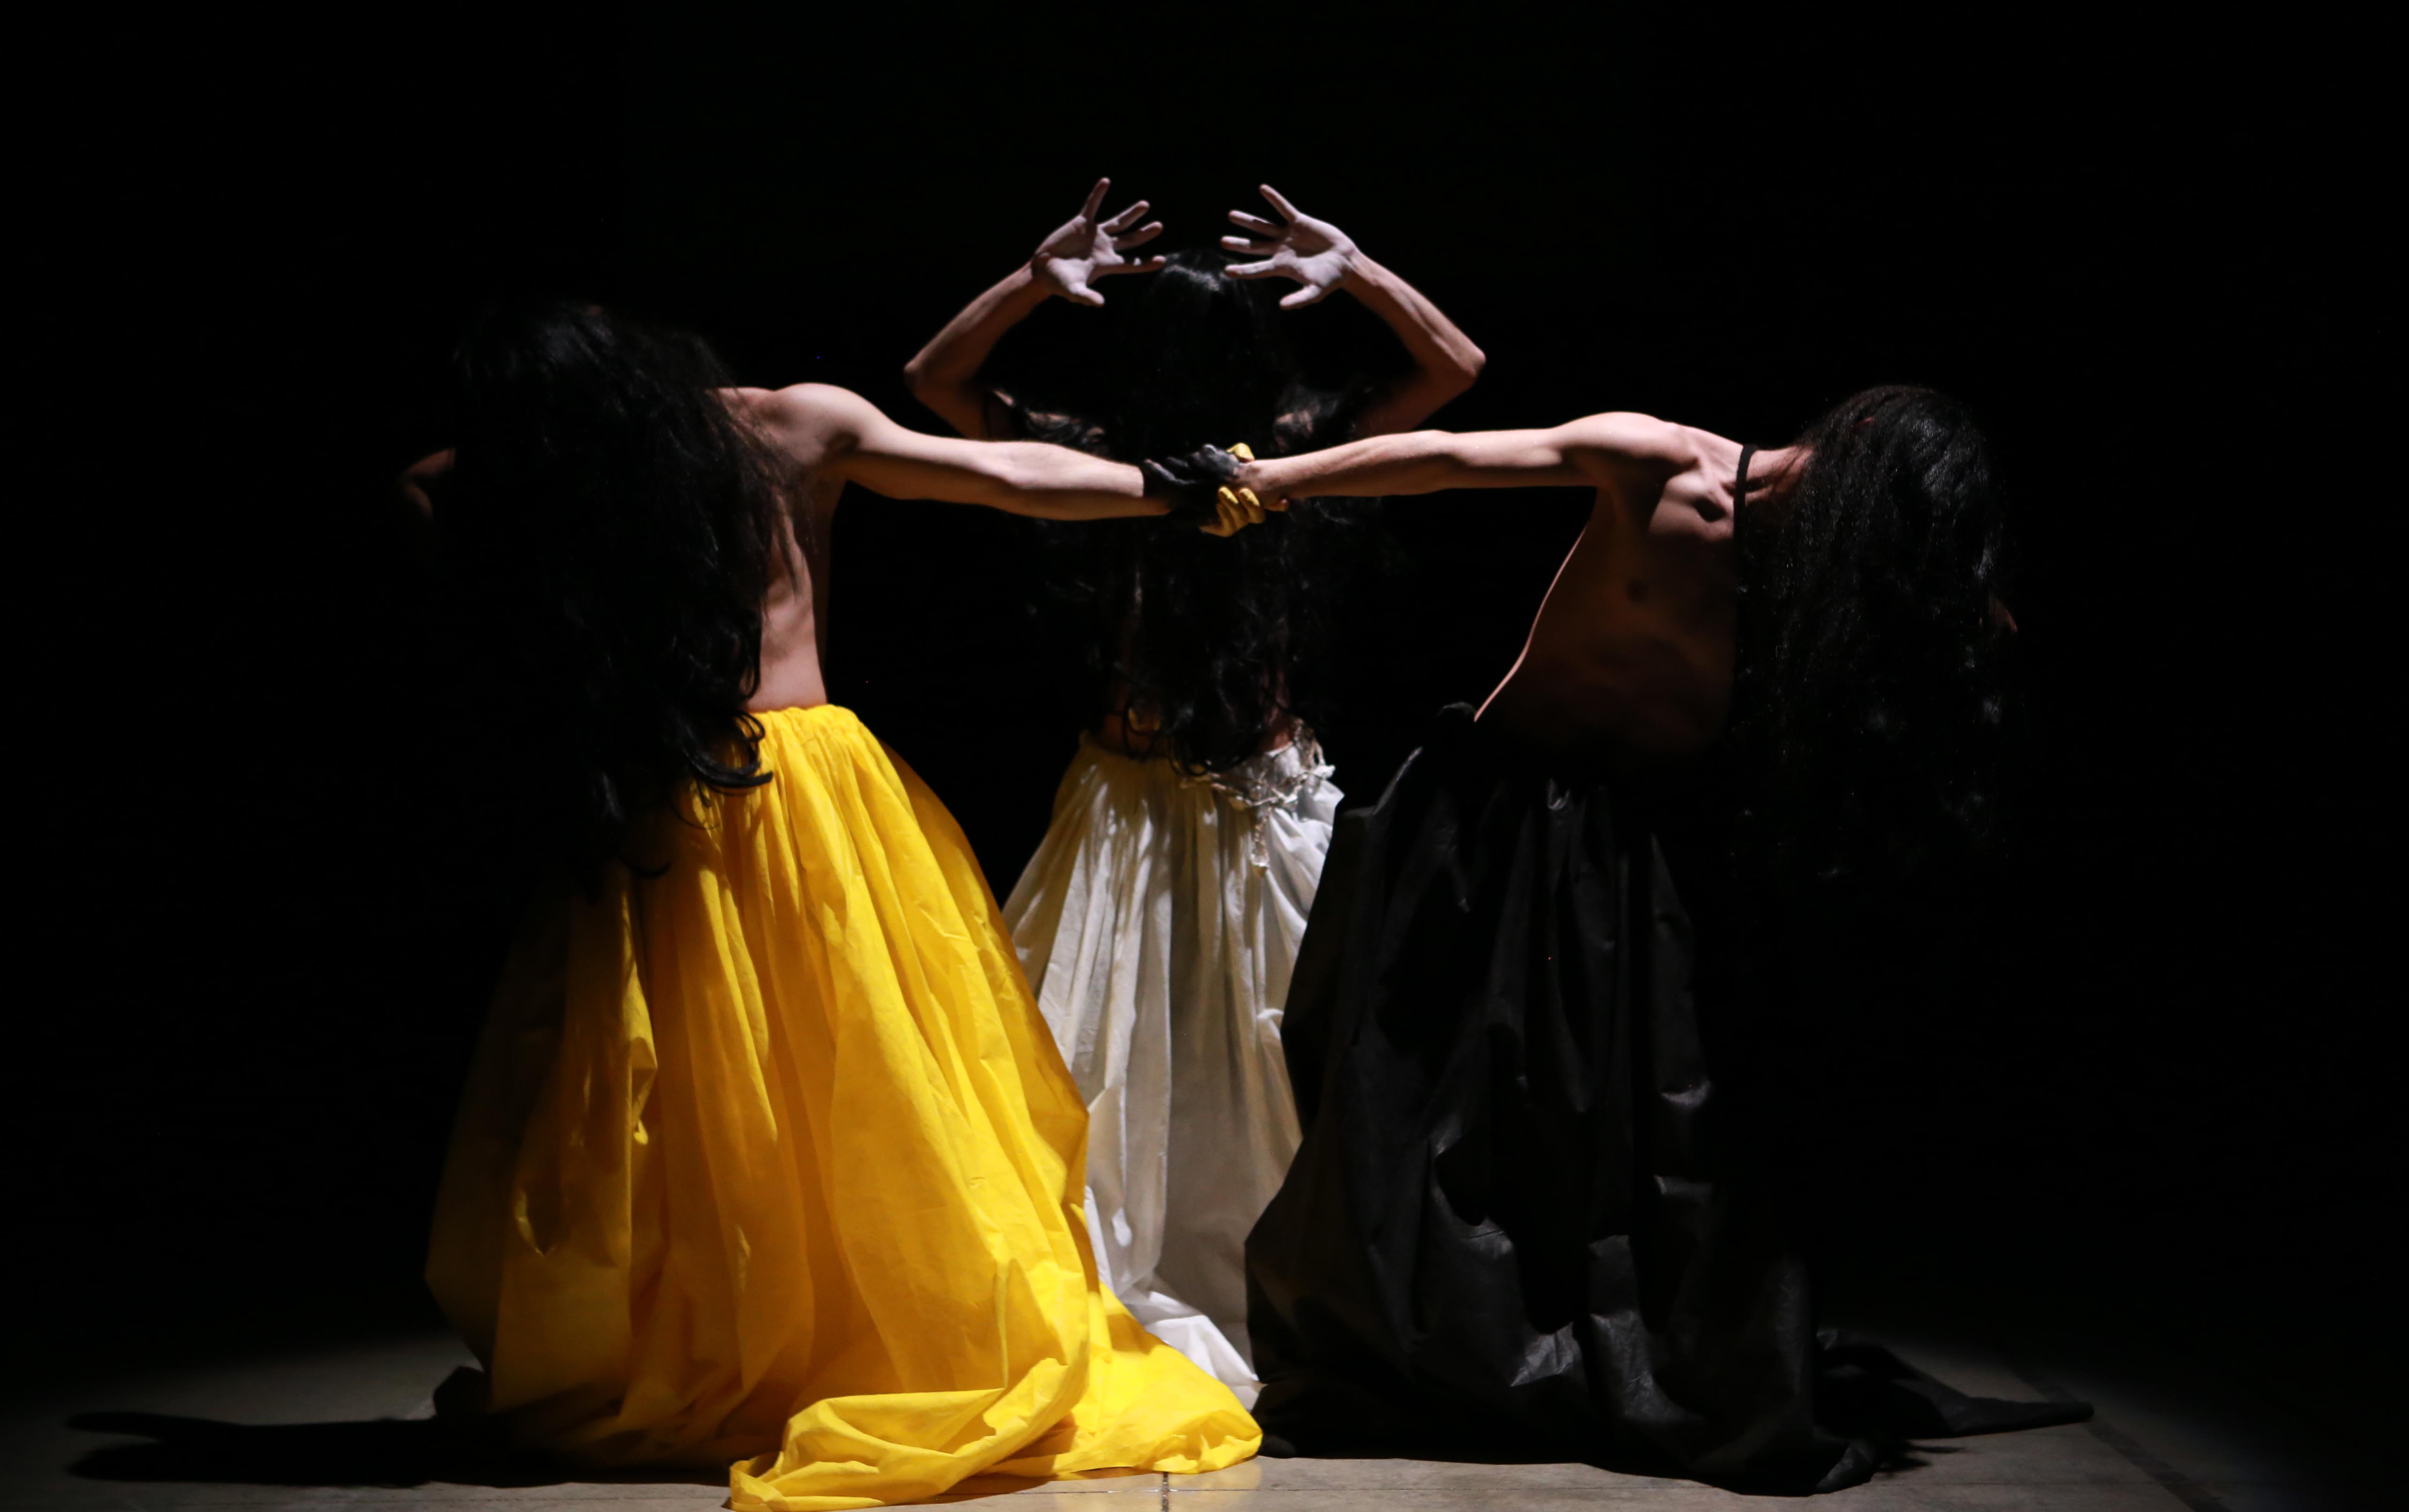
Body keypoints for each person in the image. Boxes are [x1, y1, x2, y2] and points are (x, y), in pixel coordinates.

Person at [414, 301, 1265, 1511]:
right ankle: (758, 1335)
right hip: (692, 800)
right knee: (707, 1095)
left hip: (776, 799)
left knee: (842, 1080)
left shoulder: (774, 430)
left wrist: (1166, 488)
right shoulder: (643, 448)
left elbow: (1005, 473)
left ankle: (828, 1334)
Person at [1157, 387, 2085, 1491]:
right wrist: (1266, 480)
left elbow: (1945, 616)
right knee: (1435, 1099)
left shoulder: (1832, 565)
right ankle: (1431, 1343)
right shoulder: (1659, 463)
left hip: (1650, 846)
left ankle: (1630, 1344)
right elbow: (1451, 455)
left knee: (1661, 1124)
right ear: (1858, 447)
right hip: (1501, 818)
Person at [902, 179, 1485, 1401]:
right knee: (1105, 1059)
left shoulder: (1300, 445)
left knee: (1282, 1053)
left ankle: (1307, 1286)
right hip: (1128, 808)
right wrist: (1032, 278)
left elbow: (1456, 373)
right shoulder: (1098, 462)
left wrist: (1356, 266)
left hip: (1260, 800)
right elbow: (935, 387)